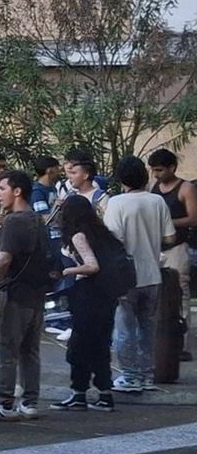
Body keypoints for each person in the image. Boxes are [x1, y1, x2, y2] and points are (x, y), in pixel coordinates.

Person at [0, 170, 52, 421]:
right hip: (36, 293)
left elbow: (4, 258)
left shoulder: (13, 221)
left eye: (2, 189)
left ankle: (4, 403)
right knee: (30, 350)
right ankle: (30, 402)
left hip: (15, 292)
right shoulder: (39, 220)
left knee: (4, 348)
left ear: (17, 191)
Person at [103, 155, 176, 393]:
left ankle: (129, 374)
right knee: (148, 327)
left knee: (125, 328)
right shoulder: (157, 201)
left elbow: (113, 240)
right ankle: (146, 374)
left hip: (126, 277)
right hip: (152, 274)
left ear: (121, 178)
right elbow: (170, 237)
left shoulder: (116, 203)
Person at [54, 195, 122, 412]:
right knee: (100, 345)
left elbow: (92, 266)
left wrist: (68, 271)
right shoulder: (102, 234)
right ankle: (104, 393)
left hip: (87, 295)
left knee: (80, 345)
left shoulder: (78, 236)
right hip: (106, 295)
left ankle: (79, 392)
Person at [149, 147, 197, 361]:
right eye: (153, 170)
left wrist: (166, 224)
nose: (156, 174)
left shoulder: (185, 188)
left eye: (159, 170)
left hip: (177, 247)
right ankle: (161, 342)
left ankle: (181, 344)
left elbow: (193, 219)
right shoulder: (155, 188)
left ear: (172, 168)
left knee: (180, 294)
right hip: (157, 248)